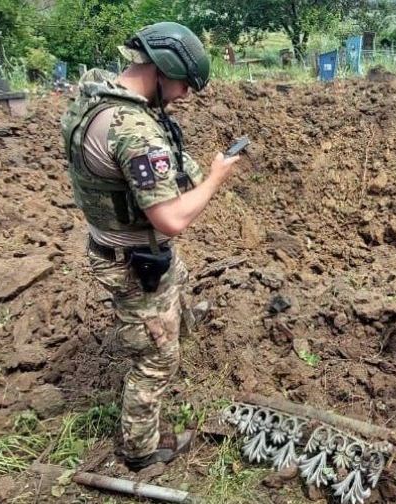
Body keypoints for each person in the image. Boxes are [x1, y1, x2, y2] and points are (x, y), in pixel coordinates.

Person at [60, 22, 241, 471]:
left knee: (178, 285)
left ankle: (177, 324)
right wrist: (217, 179)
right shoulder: (133, 131)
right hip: (134, 262)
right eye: (183, 84)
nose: (184, 94)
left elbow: (158, 173)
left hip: (122, 247)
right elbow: (172, 219)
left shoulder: (96, 96)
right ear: (162, 70)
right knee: (155, 361)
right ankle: (140, 451)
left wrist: (196, 172)